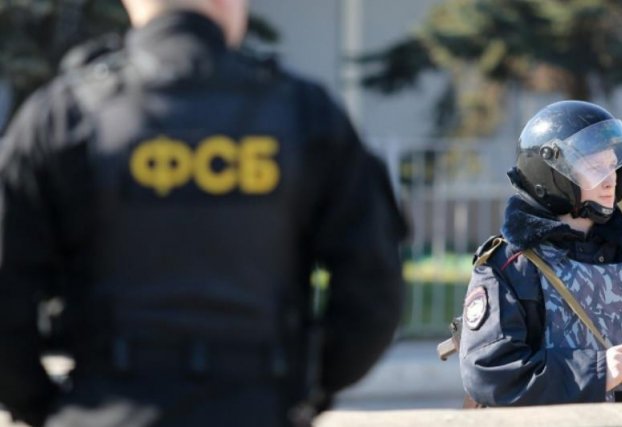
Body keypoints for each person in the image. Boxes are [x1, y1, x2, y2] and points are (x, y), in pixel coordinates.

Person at [0, 1, 407, 426]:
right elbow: (372, 296)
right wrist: (300, 392)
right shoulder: (305, 112)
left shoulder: (62, 116)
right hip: (255, 410)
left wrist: (46, 407)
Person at [458, 100, 622, 406]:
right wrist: (595, 372)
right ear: (551, 176)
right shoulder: (512, 267)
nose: (610, 179)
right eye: (594, 167)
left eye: (613, 165)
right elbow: (492, 373)